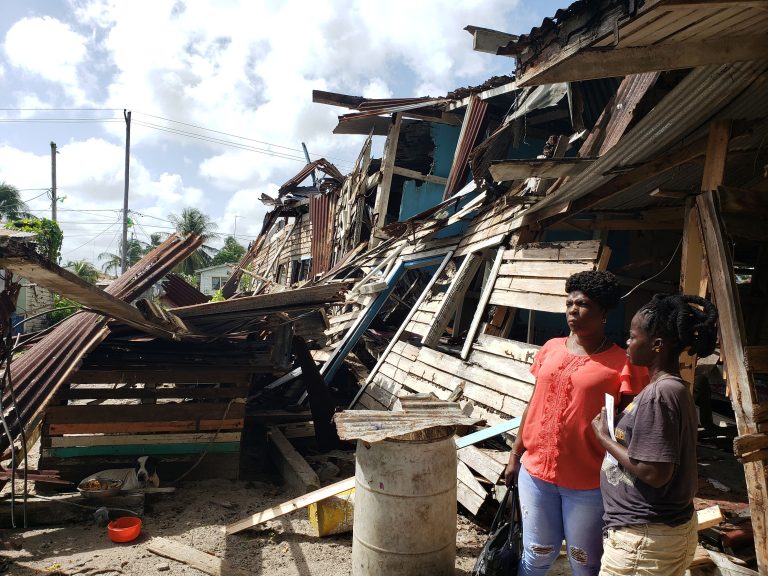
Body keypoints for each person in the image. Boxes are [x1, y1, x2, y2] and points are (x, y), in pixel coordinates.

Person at [504, 270, 648, 576]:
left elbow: (632, 424)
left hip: (588, 483)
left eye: (582, 304)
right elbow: (534, 402)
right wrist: (515, 454)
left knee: (584, 562)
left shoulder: (621, 363)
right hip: (535, 475)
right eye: (569, 302)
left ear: (604, 312)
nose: (572, 309)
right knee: (537, 554)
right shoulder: (551, 348)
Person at [592, 294, 718, 575]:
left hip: (644, 541)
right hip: (657, 535)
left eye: (632, 336)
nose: (627, 343)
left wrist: (604, 438)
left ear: (657, 345)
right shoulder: (672, 388)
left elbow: (655, 473)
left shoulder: (659, 394)